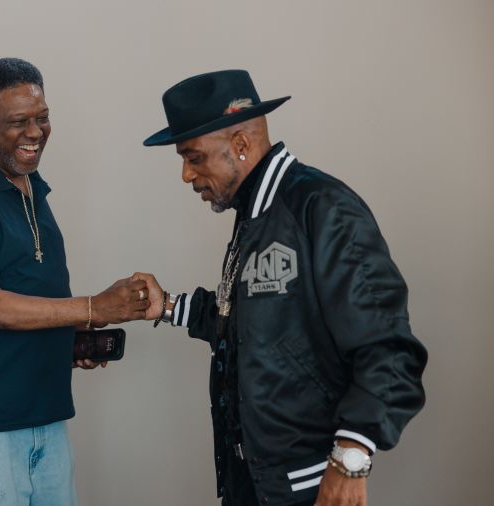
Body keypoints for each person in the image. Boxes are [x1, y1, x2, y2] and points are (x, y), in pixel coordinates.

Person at [136, 70, 427, 506]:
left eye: (194, 157)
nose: (185, 174)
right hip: (252, 481)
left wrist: (351, 455)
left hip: (307, 485)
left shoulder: (323, 207)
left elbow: (388, 349)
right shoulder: (253, 214)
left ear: (240, 143)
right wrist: (169, 307)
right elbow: (258, 325)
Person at [0, 58, 150, 506]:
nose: (36, 132)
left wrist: (71, 335)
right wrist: (93, 307)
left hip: (46, 413)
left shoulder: (30, 184)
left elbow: (31, 292)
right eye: (19, 121)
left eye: (43, 118)